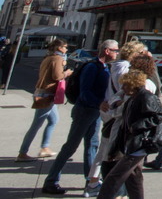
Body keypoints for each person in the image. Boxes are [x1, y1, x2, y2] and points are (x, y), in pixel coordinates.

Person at [42, 39, 118, 196]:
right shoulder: (92, 67)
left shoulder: (104, 67)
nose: (117, 53)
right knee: (71, 146)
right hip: (85, 111)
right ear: (106, 51)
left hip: (95, 112)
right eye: (115, 50)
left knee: (92, 146)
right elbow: (85, 92)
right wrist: (99, 103)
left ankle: (91, 181)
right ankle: (51, 181)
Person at [84, 40, 148, 196]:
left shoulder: (115, 66)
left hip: (111, 112)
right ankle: (106, 188)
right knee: (114, 154)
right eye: (142, 54)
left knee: (106, 151)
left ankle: (94, 182)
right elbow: (126, 94)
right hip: (117, 115)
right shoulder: (125, 70)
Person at [96, 69, 162, 199]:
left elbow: (159, 116)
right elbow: (119, 116)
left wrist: (137, 126)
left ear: (134, 84)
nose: (123, 88)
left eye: (126, 85)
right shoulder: (132, 98)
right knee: (134, 178)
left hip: (139, 144)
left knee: (113, 178)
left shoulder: (146, 97)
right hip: (131, 143)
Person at [17, 38, 73, 162]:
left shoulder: (48, 58)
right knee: (36, 124)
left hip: (44, 92)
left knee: (54, 120)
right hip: (46, 94)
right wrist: (67, 73)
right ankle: (23, 152)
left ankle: (45, 147)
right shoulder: (57, 59)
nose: (66, 49)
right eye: (65, 47)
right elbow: (57, 76)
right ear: (59, 48)